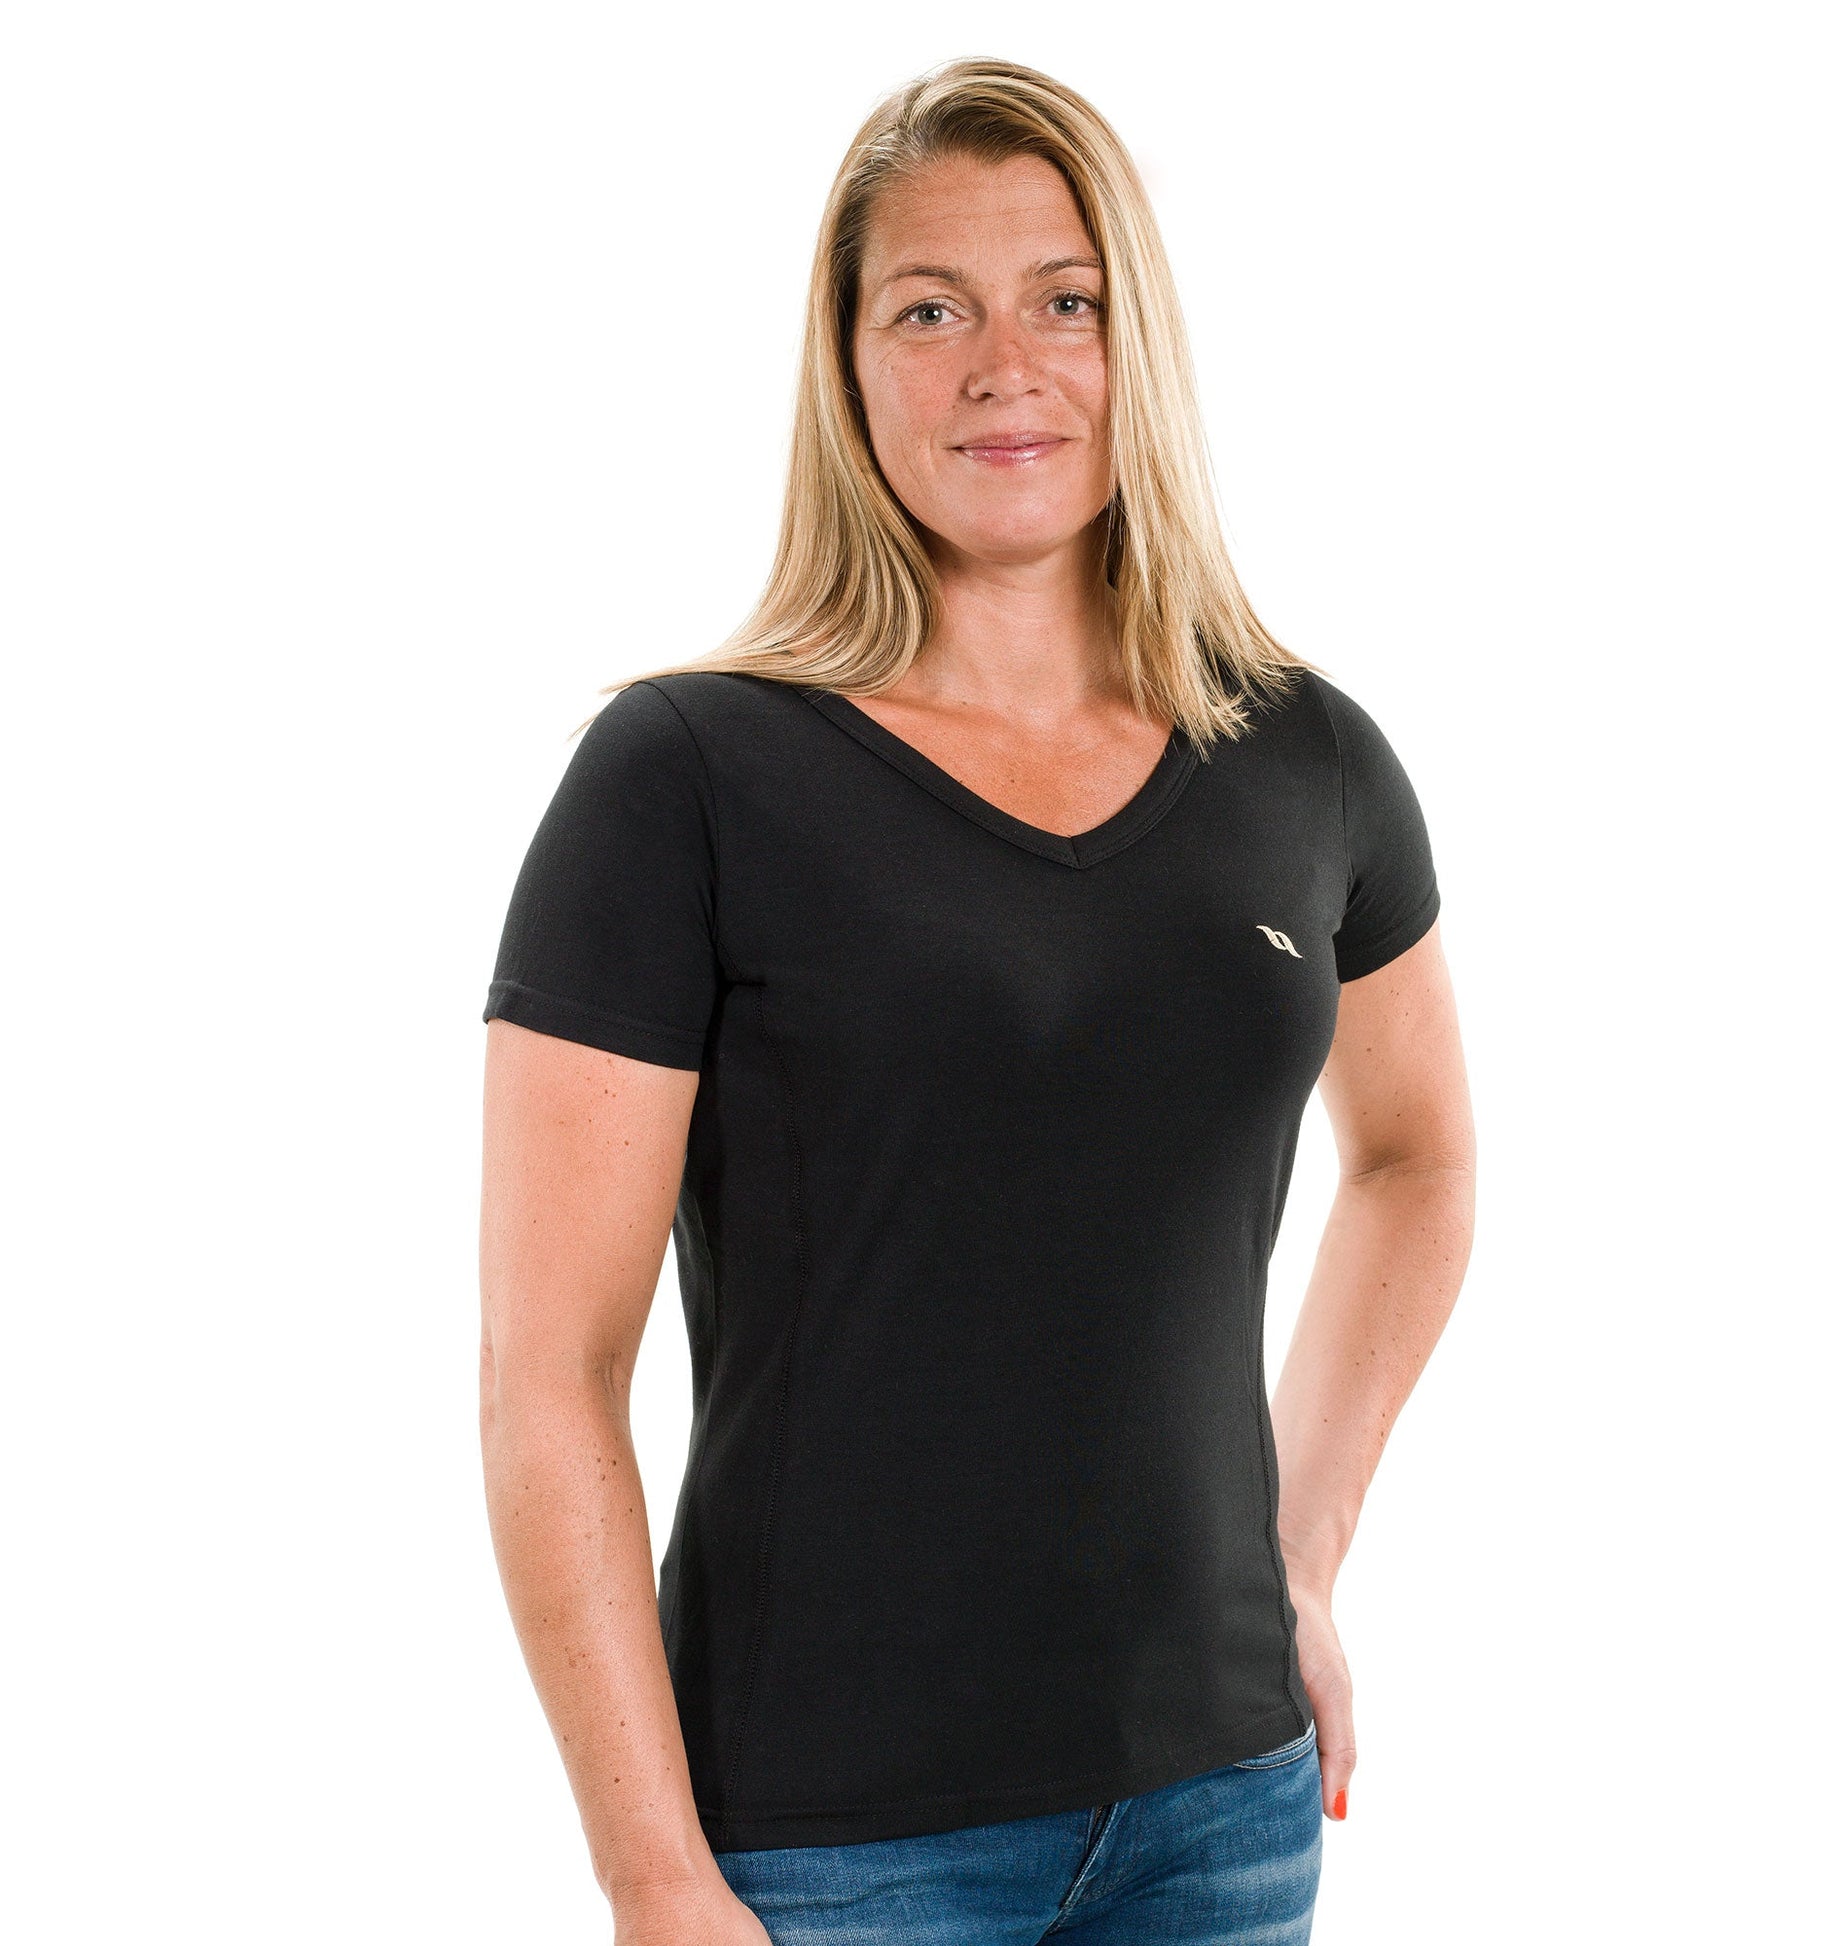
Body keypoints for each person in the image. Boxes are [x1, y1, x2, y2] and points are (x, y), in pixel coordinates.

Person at [478, 56, 1475, 1946]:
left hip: (1224, 1817)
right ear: (848, 367)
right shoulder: (685, 777)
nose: (1003, 366)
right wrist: (651, 1874)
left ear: (1135, 341)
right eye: (929, 310)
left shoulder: (1305, 758)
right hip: (829, 1849)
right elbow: (548, 1375)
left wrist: (1304, 1551)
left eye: (1063, 302)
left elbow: (1417, 1158)